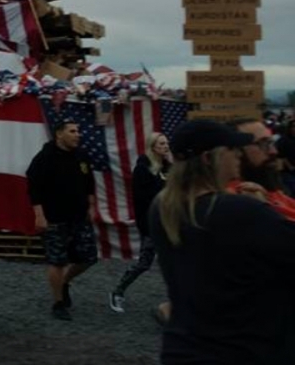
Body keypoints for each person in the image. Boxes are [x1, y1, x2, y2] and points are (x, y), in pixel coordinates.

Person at [151, 119, 295, 365]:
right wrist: (267, 208)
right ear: (209, 159)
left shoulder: (163, 208)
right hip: (244, 351)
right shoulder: (241, 212)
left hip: (184, 349)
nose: (238, 154)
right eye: (231, 149)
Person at [25, 119, 98, 321]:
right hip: (55, 218)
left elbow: (89, 182)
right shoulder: (44, 158)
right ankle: (58, 303)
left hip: (79, 216)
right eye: (72, 131)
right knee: (57, 261)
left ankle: (65, 281)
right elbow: (33, 189)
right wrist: (39, 215)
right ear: (59, 134)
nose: (78, 135)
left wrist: (91, 206)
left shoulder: (81, 156)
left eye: (78, 131)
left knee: (88, 258)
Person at [109, 132, 171, 314]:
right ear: (153, 147)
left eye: (167, 143)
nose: (166, 146)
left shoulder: (168, 167)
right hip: (152, 224)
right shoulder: (143, 169)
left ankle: (178, 300)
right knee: (144, 263)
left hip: (170, 223)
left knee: (173, 261)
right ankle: (117, 291)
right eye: (162, 144)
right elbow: (141, 199)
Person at [226, 118, 295, 221]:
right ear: (236, 151)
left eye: (271, 143)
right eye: (263, 144)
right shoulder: (236, 198)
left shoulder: (269, 189)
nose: (274, 151)